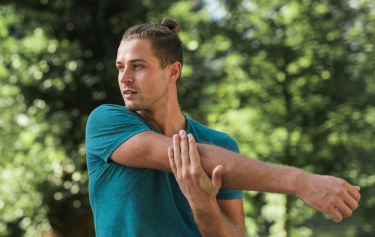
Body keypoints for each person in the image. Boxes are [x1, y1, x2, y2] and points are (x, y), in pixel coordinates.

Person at [85, 18, 360, 236]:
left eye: (138, 66)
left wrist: (204, 206)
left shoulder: (222, 145)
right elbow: (186, 155)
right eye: (120, 67)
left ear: (173, 71)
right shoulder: (106, 122)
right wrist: (299, 182)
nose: (125, 78)